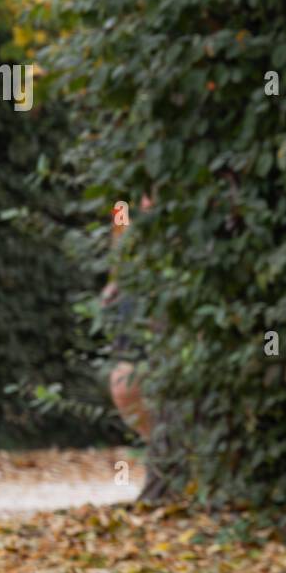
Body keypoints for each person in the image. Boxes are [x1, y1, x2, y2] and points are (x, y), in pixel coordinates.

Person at [101, 191, 170, 505]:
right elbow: (120, 231)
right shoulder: (124, 200)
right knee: (123, 384)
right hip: (135, 296)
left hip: (175, 293)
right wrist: (114, 280)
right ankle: (159, 453)